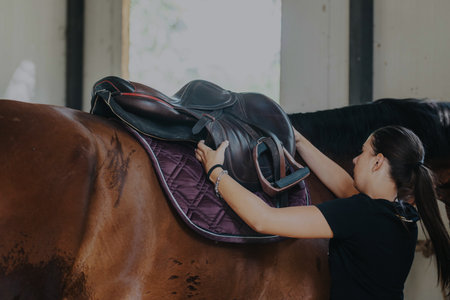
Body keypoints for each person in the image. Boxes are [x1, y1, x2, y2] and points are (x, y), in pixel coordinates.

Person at [195, 125, 450, 299]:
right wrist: (300, 141)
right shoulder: (402, 216)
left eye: (362, 152)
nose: (354, 159)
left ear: (378, 162)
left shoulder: (359, 213)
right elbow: (344, 185)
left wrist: (216, 171)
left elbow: (263, 219)